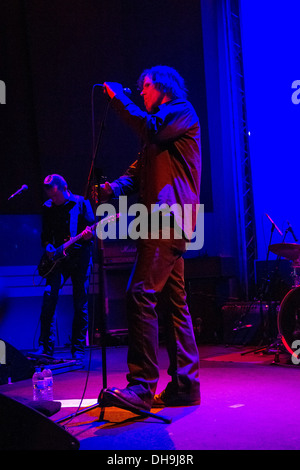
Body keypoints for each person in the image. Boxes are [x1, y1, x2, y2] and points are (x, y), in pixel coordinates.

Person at [98, 65, 201, 412]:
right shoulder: (156, 135)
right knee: (175, 303)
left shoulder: (179, 113)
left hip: (166, 218)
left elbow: (150, 127)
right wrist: (107, 189)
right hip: (164, 219)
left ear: (162, 87)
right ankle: (185, 386)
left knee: (140, 293)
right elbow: (134, 175)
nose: (140, 93)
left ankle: (142, 386)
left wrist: (118, 100)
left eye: (144, 87)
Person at [37, 174, 94, 363]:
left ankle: (77, 350)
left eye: (56, 196)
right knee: (48, 297)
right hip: (58, 261)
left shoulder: (81, 203)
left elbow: (92, 231)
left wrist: (88, 236)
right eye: (51, 197)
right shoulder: (48, 208)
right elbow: (45, 236)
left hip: (80, 258)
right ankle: (45, 348)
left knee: (80, 303)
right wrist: (48, 247)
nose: (53, 200)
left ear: (65, 189)